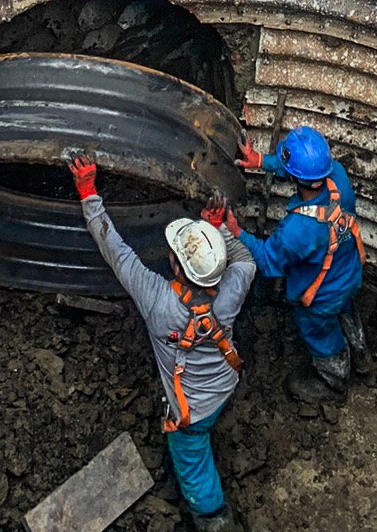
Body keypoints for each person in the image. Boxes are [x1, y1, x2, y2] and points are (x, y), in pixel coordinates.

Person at [64, 148, 254, 531]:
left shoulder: (158, 301)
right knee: (205, 423)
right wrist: (217, 229)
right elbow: (246, 260)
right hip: (224, 385)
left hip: (190, 412)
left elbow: (117, 253)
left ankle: (213, 516)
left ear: (175, 266)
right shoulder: (234, 287)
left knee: (192, 462)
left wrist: (88, 193)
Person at [230, 124, 370, 403]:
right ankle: (362, 356)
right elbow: (306, 174)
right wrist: (261, 161)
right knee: (345, 309)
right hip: (349, 272)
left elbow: (268, 261)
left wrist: (236, 232)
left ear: (295, 176)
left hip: (321, 296)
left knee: (319, 331)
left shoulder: (298, 229)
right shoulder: (338, 176)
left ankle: (333, 379)